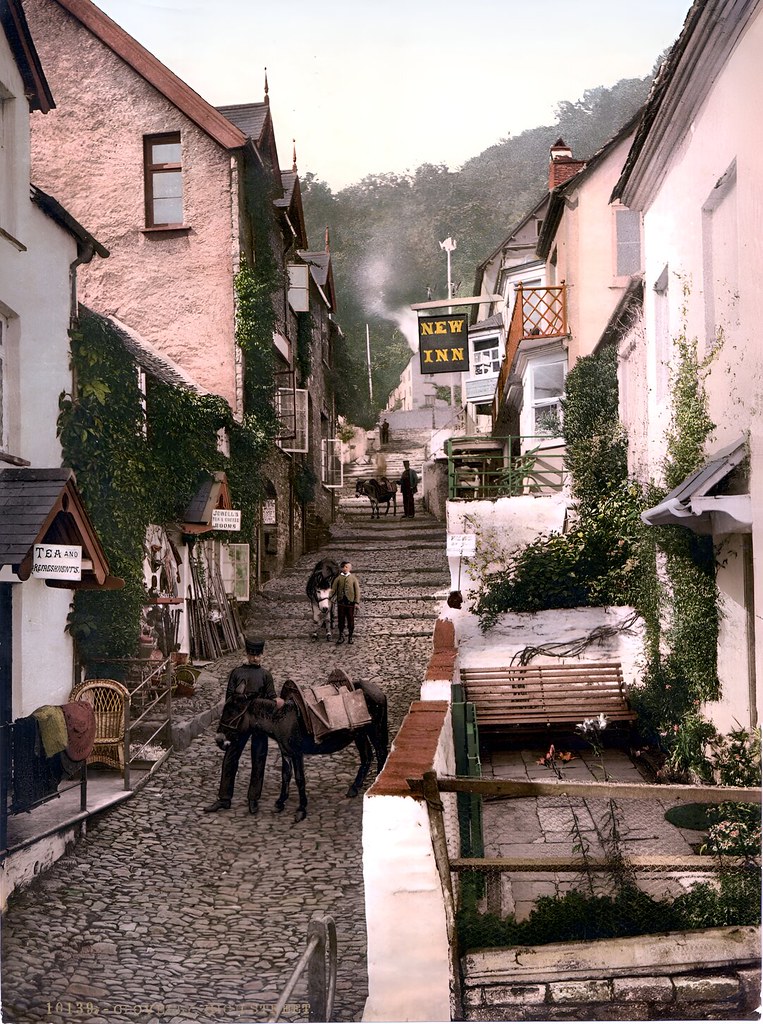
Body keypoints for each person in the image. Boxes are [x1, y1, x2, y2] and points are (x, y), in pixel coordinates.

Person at [204, 638, 284, 814]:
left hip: (259, 723)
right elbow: (229, 699)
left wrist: (258, 700)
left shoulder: (265, 675)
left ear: (262, 655)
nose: (255, 658)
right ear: (247, 654)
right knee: (230, 758)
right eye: (252, 655)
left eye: (258, 655)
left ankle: (253, 799)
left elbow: (271, 700)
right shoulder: (237, 673)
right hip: (238, 722)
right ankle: (224, 798)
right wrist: (238, 698)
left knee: (259, 759)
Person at [330, 560, 360, 645]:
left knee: (350, 619)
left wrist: (356, 602)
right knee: (341, 619)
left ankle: (350, 636)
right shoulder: (338, 578)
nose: (346, 568)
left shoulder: (353, 578)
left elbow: (357, 590)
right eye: (345, 567)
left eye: (348, 567)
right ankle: (341, 636)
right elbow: (333, 589)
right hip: (341, 602)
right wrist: (329, 597)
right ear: (342, 568)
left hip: (350, 603)